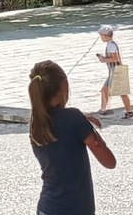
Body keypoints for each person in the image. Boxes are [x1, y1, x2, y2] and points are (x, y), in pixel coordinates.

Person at [28, 60, 117, 215]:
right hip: (76, 208)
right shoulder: (74, 119)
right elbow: (109, 162)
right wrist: (90, 129)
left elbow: (60, 125)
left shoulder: (36, 124)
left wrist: (79, 119)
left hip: (47, 207)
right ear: (64, 86)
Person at [95, 25, 133, 119]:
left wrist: (103, 59)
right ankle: (103, 110)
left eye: (101, 35)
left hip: (116, 71)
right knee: (106, 89)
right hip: (115, 70)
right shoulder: (112, 44)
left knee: (121, 92)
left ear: (106, 35)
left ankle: (128, 112)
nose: (101, 37)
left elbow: (115, 58)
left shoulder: (111, 45)